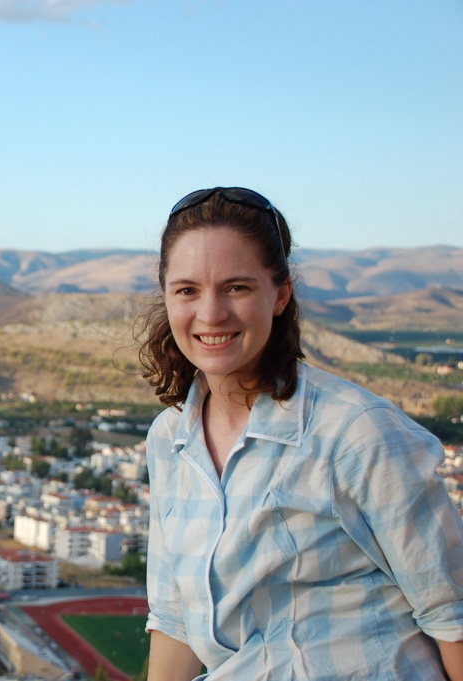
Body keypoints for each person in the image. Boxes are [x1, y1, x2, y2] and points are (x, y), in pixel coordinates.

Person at [139, 187, 463, 680]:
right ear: (166, 296)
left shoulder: (354, 431)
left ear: (281, 294)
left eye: (237, 288)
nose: (211, 314)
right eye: (187, 290)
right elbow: (174, 621)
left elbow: (452, 614)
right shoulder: (169, 440)